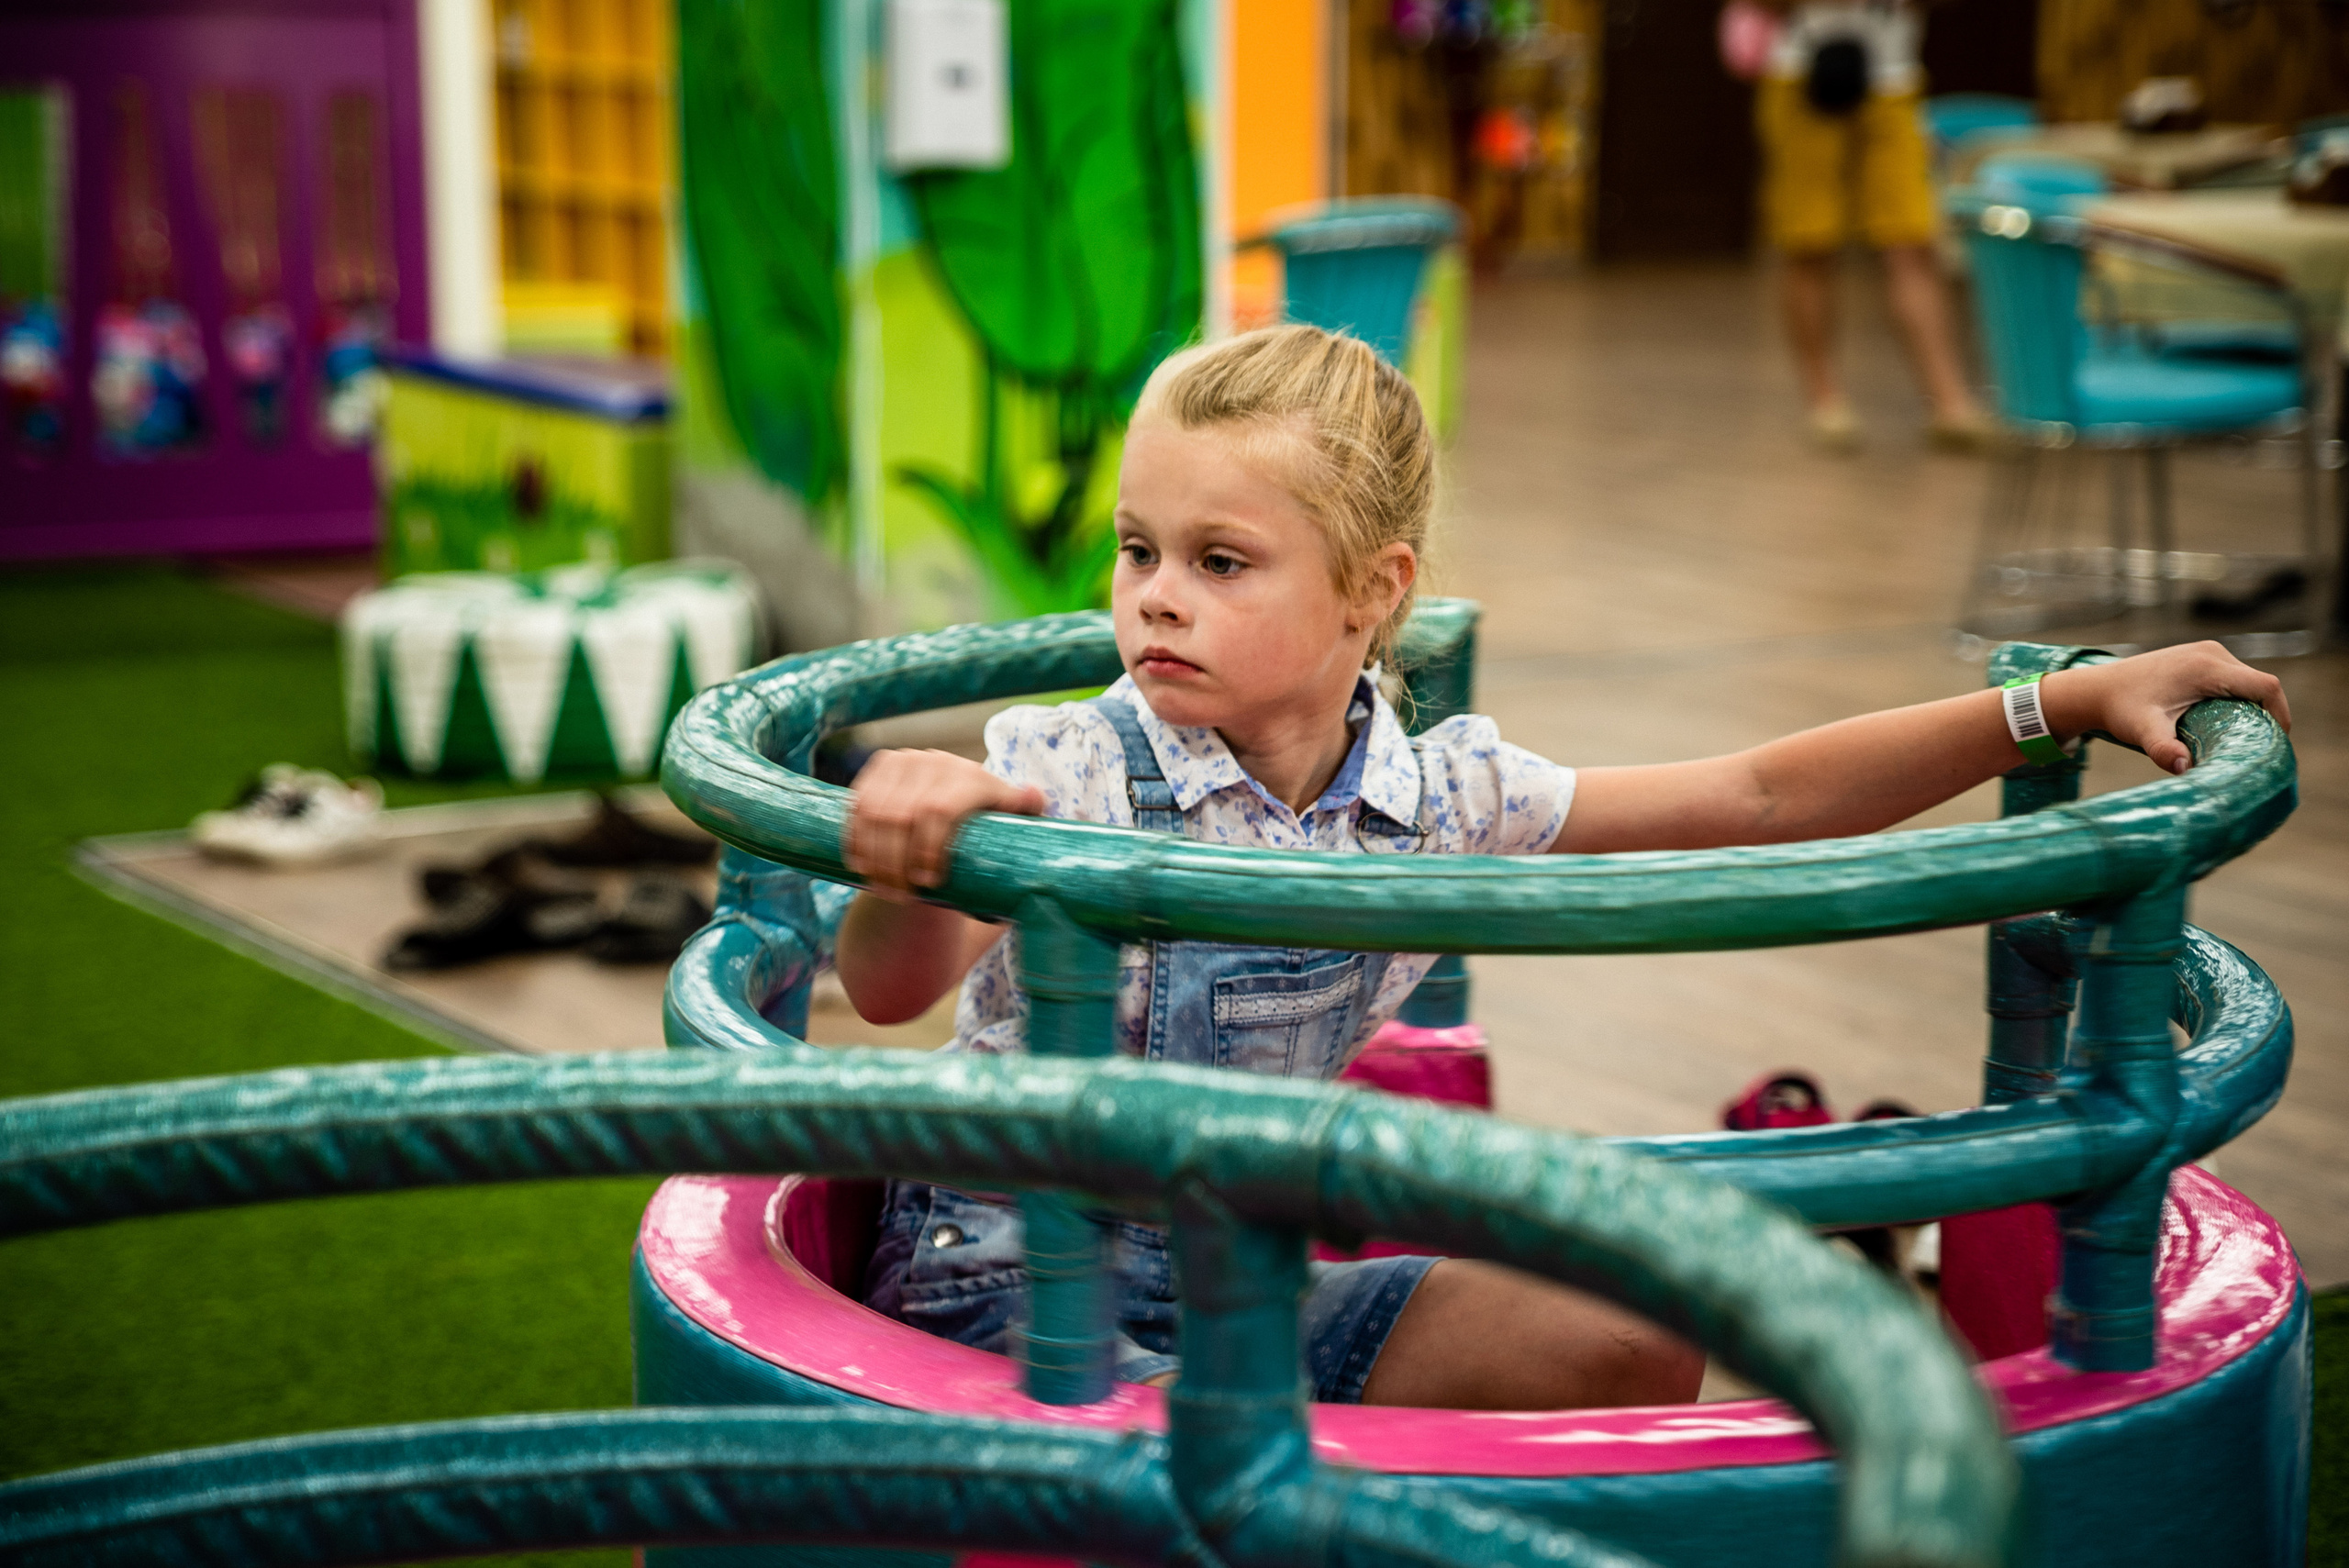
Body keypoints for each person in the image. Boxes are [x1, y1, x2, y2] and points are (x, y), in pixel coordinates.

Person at [836, 324, 2286, 1412]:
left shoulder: (1440, 795)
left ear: (1373, 590)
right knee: (1205, 1473)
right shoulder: (1072, 766)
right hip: (1015, 1281)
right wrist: (920, 849)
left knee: (1632, 1331)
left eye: (1223, 561)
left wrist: (2055, 704)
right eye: (1138, 547)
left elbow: (1762, 791)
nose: (1155, 592)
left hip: (1247, 1282)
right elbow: (893, 990)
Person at [1742, 0, 1987, 450]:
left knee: (1912, 241)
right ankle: (1825, 402)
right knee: (1808, 244)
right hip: (1801, 76)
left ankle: (1950, 405)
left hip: (1892, 80)